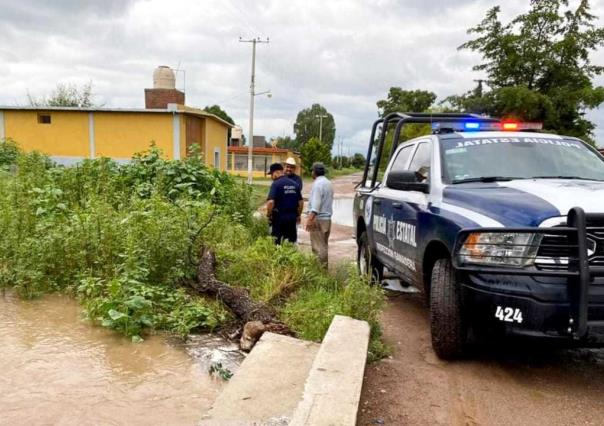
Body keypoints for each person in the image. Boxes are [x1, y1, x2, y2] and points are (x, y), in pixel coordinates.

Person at [266, 163, 303, 244]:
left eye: (271, 174)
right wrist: (298, 215)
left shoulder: (276, 184)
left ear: (276, 172)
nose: (271, 177)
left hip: (279, 219)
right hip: (292, 219)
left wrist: (269, 214)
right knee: (290, 243)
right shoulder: (295, 184)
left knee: (278, 244)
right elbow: (300, 202)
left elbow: (271, 202)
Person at [305, 162, 334, 267]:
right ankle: (323, 270)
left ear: (315, 172)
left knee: (318, 247)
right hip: (327, 220)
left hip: (318, 219)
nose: (311, 173)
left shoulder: (318, 184)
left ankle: (320, 271)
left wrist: (310, 219)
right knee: (323, 245)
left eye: (312, 171)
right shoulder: (328, 183)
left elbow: (316, 205)